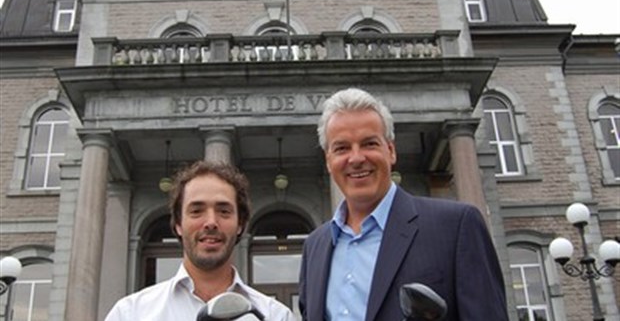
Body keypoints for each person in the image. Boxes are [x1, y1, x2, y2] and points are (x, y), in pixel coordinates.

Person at [298, 88, 508, 321]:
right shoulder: (314, 247)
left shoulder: (456, 226)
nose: (356, 158)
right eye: (341, 148)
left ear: (391, 151)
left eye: (369, 143)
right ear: (328, 161)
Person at [105, 161, 296, 321]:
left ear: (240, 224)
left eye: (224, 211)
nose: (211, 222)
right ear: (178, 224)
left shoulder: (275, 316)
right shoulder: (130, 314)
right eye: (196, 211)